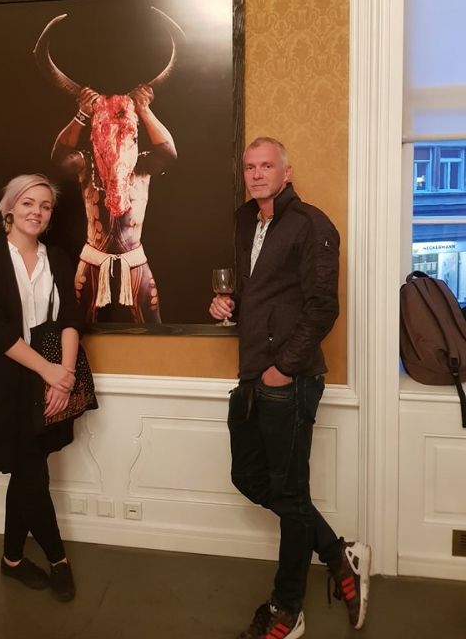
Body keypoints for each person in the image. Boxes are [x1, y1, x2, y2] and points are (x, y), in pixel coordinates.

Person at [209, 138, 371, 639]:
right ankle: (339, 554)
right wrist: (227, 304)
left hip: (290, 379)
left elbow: (323, 307)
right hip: (251, 373)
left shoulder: (311, 224)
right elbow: (260, 292)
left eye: (267, 166)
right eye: (250, 167)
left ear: (286, 172)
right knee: (249, 477)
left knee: (291, 492)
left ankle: (287, 609)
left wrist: (283, 368)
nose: (257, 174)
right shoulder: (245, 221)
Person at [0, 173, 82, 602]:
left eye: (45, 206)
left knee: (28, 471)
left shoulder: (60, 259)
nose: (37, 212)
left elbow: (70, 318)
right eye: (28, 203)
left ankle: (12, 559)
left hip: (52, 382)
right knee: (32, 472)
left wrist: (64, 376)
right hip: (5, 384)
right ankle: (58, 559)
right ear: (10, 208)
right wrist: (49, 371)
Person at [51, 83, 176, 323]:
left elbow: (168, 154)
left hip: (134, 261)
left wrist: (144, 110)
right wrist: (82, 114)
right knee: (79, 330)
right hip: (93, 261)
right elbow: (59, 158)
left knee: (152, 332)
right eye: (107, 130)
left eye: (124, 132)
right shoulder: (87, 164)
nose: (116, 138)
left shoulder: (141, 165)